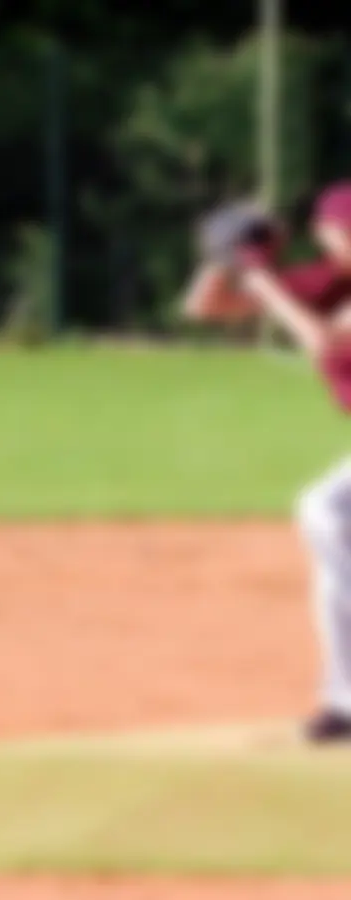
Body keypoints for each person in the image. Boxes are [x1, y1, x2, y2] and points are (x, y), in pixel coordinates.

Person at [181, 179, 351, 743]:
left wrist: (259, 275)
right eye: (344, 228)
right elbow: (205, 307)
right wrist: (227, 260)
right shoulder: (325, 280)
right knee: (329, 529)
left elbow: (323, 340)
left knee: (325, 514)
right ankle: (344, 701)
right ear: (325, 234)